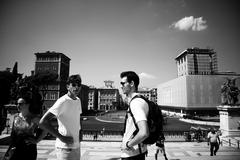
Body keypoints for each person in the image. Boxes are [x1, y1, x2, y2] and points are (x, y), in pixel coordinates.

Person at [39, 74, 82, 160]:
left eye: (79, 85)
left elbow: (78, 117)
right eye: (73, 85)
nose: (76, 87)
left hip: (76, 147)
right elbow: (43, 122)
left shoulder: (78, 100)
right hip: (64, 149)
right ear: (67, 86)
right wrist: (61, 138)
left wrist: (80, 132)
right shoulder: (62, 101)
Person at [5, 86, 47, 160]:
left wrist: (37, 140)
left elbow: (46, 129)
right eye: (17, 103)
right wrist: (10, 149)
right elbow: (13, 135)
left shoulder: (34, 118)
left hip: (29, 150)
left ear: (28, 104)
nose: (18, 106)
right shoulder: (15, 117)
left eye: (21, 104)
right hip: (15, 149)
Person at [120, 71, 149, 160]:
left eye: (123, 83)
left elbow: (144, 132)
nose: (121, 86)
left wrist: (127, 145)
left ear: (132, 83)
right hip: (140, 152)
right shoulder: (141, 100)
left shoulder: (136, 103)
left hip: (132, 155)